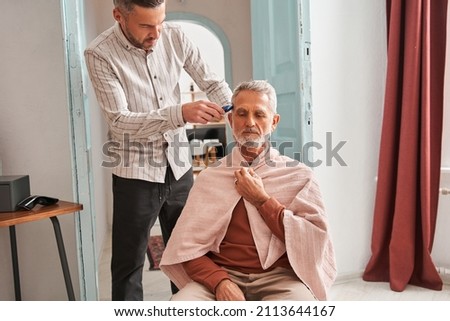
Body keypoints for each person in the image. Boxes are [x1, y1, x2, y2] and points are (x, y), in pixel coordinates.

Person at [84, 0, 232, 300]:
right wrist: (179, 114)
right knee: (129, 265)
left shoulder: (176, 36)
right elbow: (120, 121)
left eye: (160, 22)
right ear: (119, 16)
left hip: (179, 168)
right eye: (146, 26)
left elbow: (213, 82)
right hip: (135, 174)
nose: (156, 33)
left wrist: (235, 111)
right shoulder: (99, 53)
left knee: (189, 255)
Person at [160, 80, 337, 301]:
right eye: (242, 113)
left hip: (281, 278)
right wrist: (219, 282)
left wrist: (262, 200)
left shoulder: (299, 176)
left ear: (274, 122)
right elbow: (186, 249)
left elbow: (313, 240)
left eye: (259, 115)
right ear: (231, 120)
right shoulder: (210, 178)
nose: (250, 122)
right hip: (222, 275)